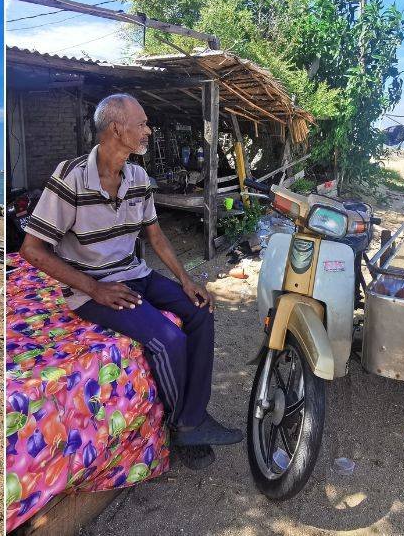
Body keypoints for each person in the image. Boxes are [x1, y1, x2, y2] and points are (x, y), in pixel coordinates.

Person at [19, 93, 242, 469]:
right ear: (116, 129)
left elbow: (154, 235)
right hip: (92, 288)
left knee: (200, 311)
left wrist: (186, 280)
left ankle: (193, 417)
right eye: (142, 124)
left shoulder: (138, 177)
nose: (148, 131)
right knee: (168, 339)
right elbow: (32, 250)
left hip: (134, 273)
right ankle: (186, 426)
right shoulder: (71, 177)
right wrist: (94, 289)